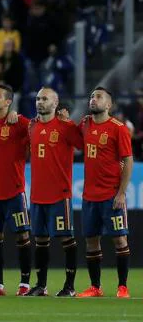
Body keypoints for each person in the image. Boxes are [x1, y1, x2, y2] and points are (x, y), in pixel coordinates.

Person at [26, 87, 83, 297]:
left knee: (66, 239)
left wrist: (70, 121)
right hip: (37, 196)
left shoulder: (65, 127)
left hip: (59, 194)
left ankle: (70, 286)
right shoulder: (31, 125)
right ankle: (41, 285)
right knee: (40, 240)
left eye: (45, 99)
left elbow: (83, 144)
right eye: (38, 98)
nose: (40, 102)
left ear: (56, 103)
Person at [78, 87, 132, 298]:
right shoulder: (85, 125)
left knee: (119, 240)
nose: (93, 99)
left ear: (108, 104)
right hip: (89, 197)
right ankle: (95, 287)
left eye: (98, 97)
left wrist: (121, 193)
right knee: (92, 241)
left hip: (111, 195)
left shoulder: (118, 128)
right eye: (91, 96)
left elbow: (127, 160)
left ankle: (123, 287)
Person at [0, 84, 32, 296]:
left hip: (14, 192)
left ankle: (25, 284)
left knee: (22, 236)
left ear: (8, 101)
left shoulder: (19, 123)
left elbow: (39, 128)